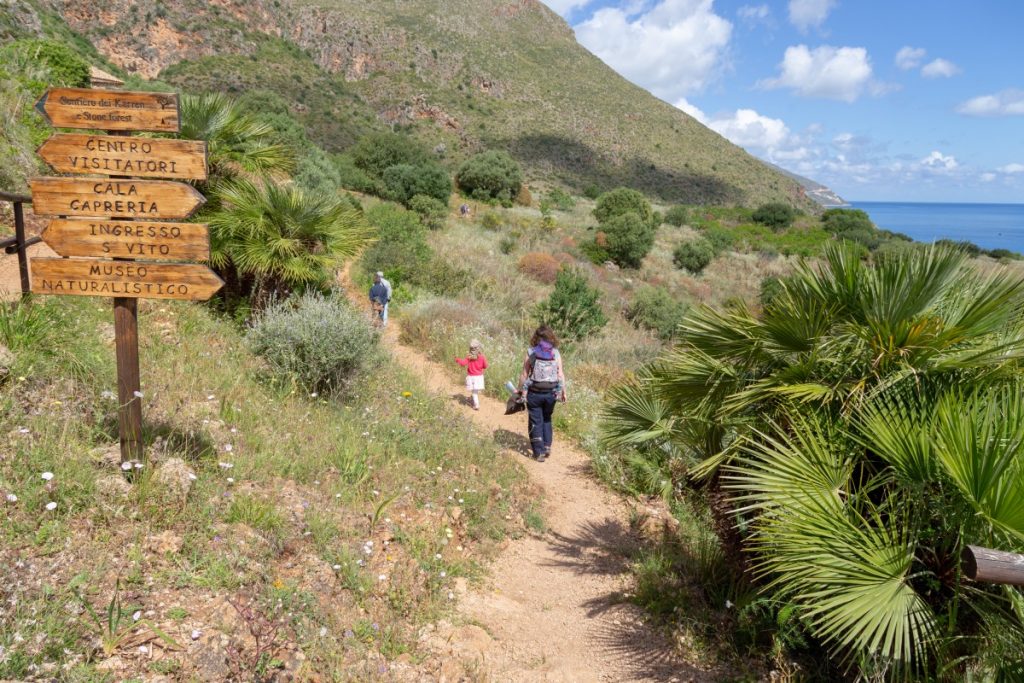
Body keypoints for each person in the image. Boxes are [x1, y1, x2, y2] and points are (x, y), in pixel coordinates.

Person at [517, 326, 566, 462]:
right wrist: (563, 391)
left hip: (534, 392)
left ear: (536, 337)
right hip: (551, 393)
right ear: (551, 337)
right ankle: (546, 446)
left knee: (535, 420)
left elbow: (524, 374)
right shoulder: (555, 352)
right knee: (547, 418)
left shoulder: (531, 351)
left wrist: (520, 390)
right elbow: (560, 374)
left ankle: (538, 453)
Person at [455, 339, 488, 410]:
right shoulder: (482, 357)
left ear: (470, 348)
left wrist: (457, 360)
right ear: (479, 348)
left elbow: (463, 363)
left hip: (472, 377)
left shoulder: (469, 357)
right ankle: (471, 399)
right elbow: (485, 366)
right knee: (475, 390)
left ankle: (476, 405)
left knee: (474, 392)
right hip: (479, 377)